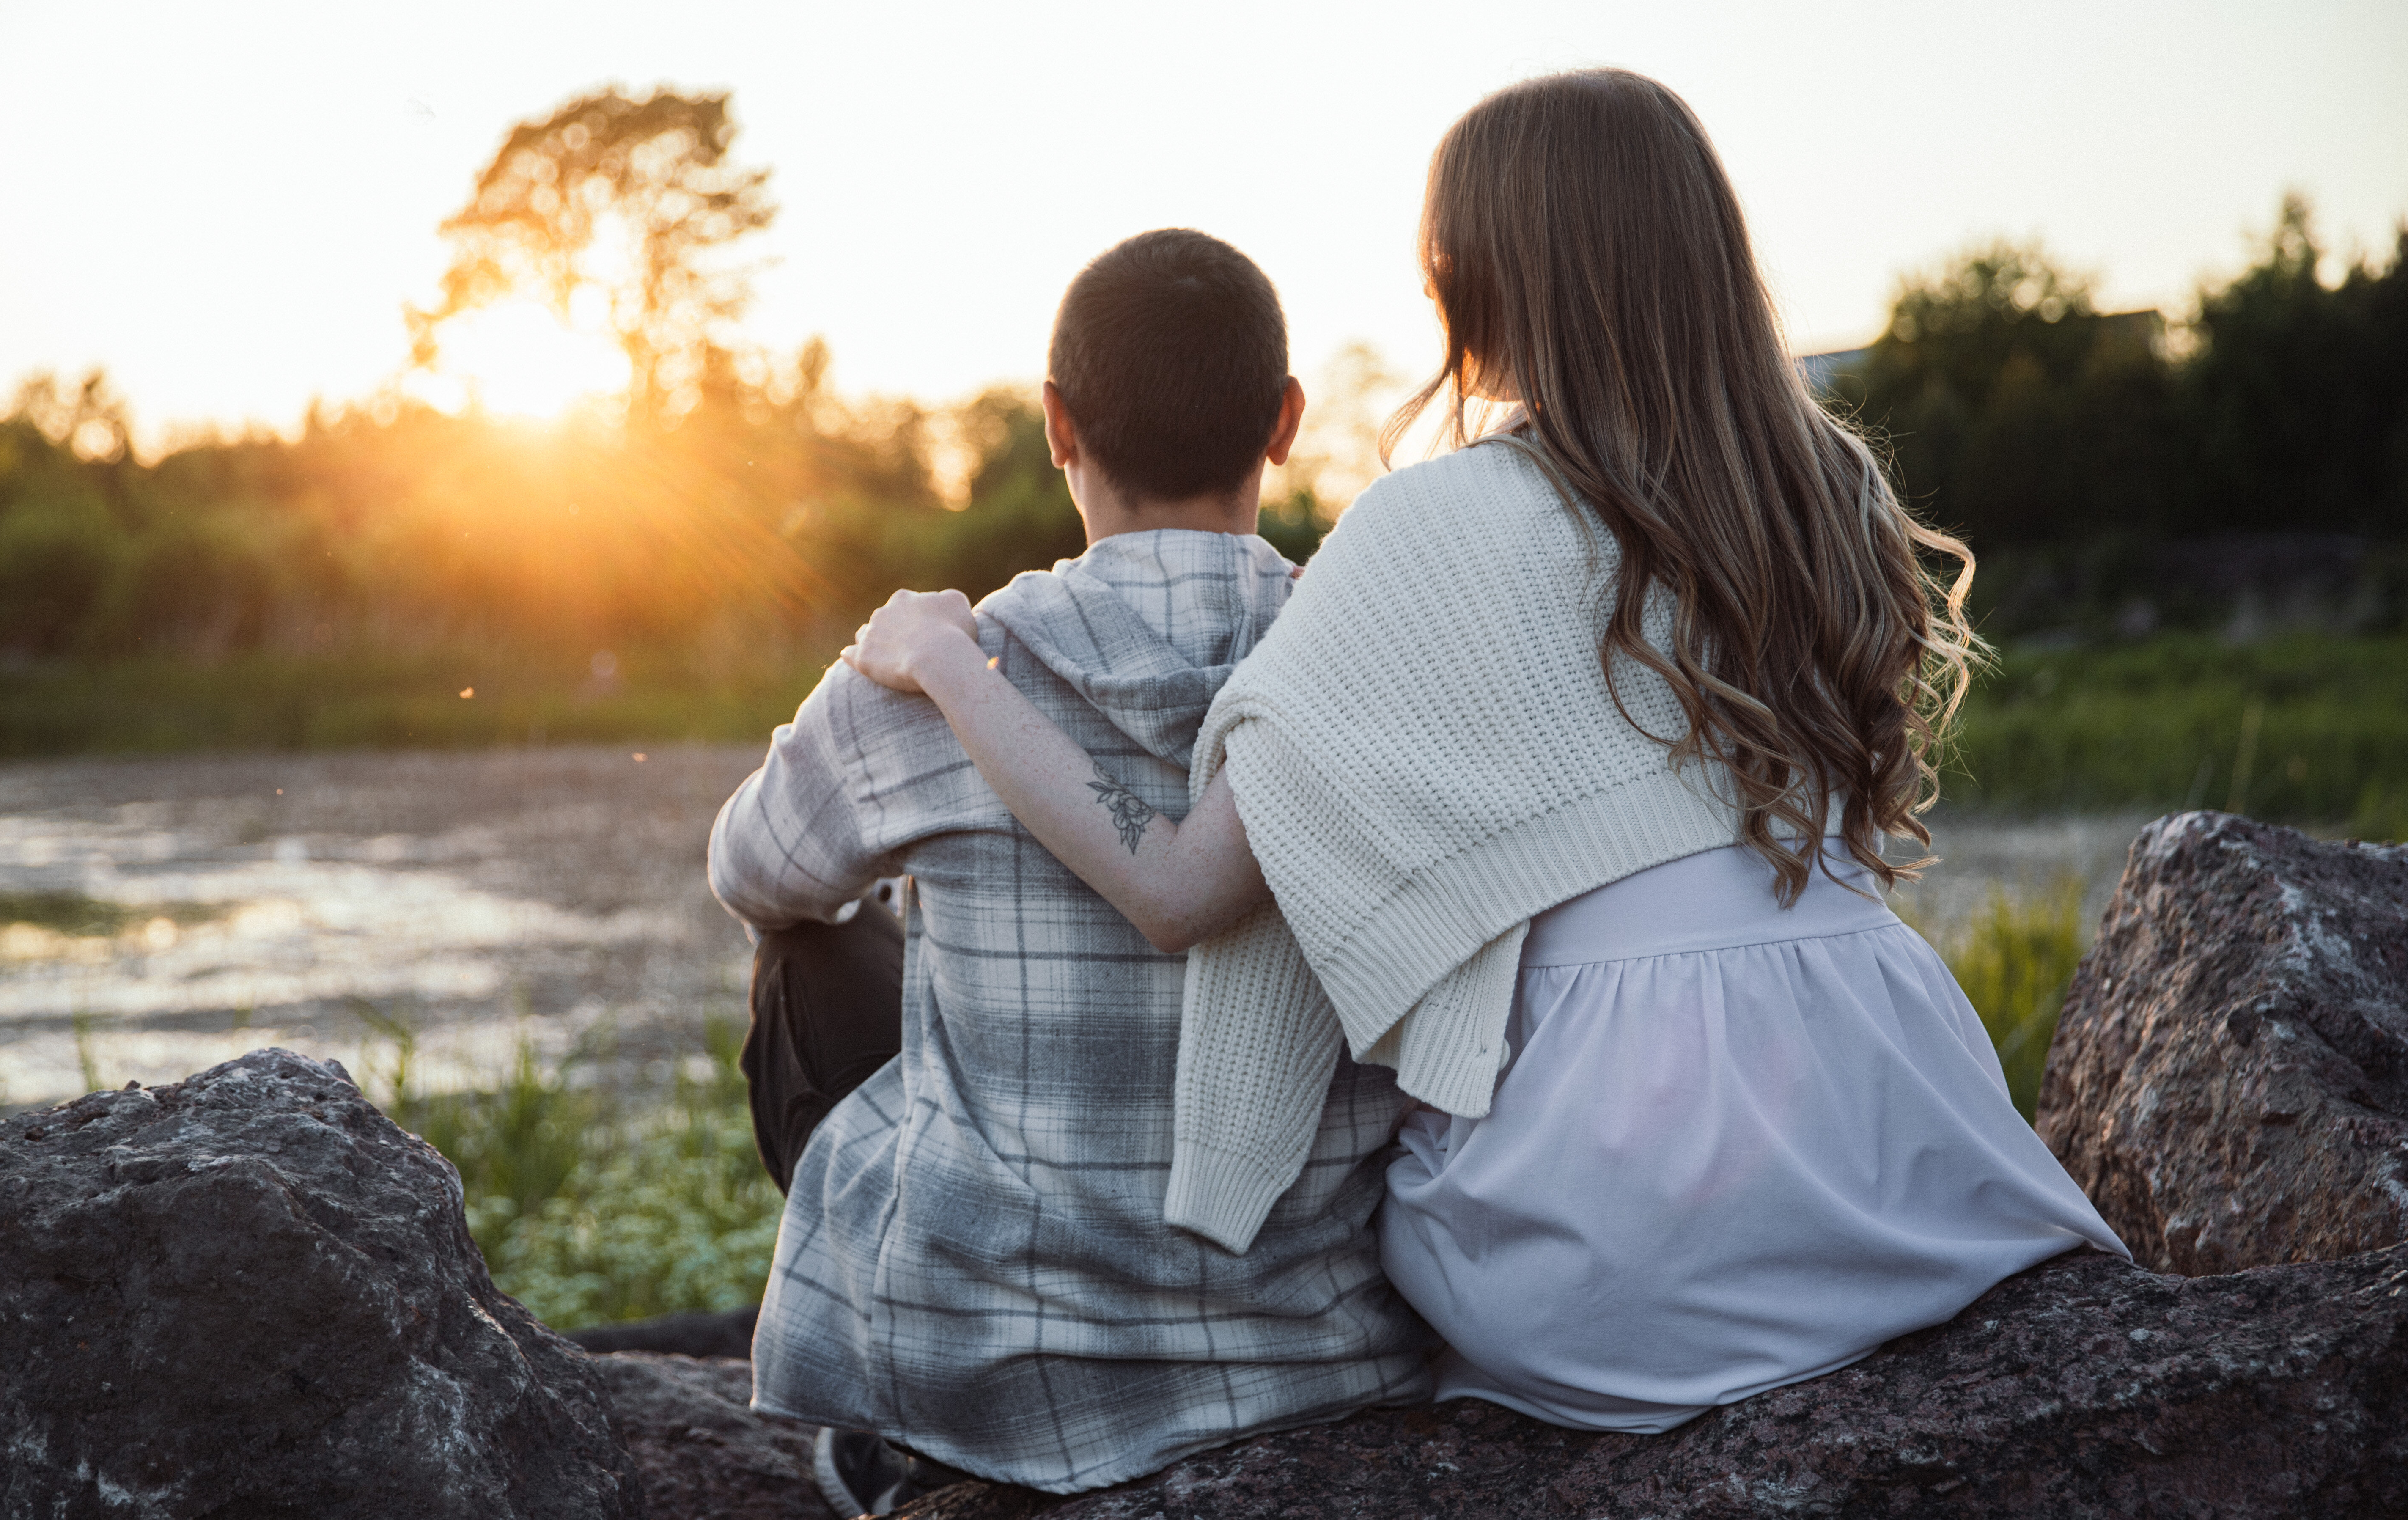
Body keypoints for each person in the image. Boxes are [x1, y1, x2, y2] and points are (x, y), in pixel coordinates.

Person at [840, 70, 2129, 1437]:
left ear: (1496, 283)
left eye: (1440, 271)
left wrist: (948, 666)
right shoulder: (1824, 490)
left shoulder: (1431, 528)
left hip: (1625, 1195)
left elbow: (1177, 890)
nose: (1432, 303)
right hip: (1900, 1121)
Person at [709, 228, 1432, 1512]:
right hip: (1320, 1344)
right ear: (1283, 422)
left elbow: (754, 871)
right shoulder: (1375, 663)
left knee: (805, 953)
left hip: (1002, 1363)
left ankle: (909, 1423)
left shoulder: (946, 665)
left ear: (1056, 425)